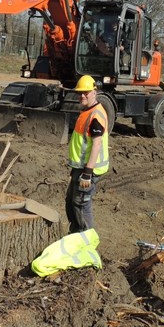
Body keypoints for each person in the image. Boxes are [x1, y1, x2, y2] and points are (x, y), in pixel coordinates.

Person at [65, 75, 110, 233]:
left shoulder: (95, 115)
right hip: (81, 167)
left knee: (81, 203)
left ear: (94, 92)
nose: (82, 95)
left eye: (86, 92)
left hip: (89, 169)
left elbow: (96, 144)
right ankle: (75, 234)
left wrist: (87, 173)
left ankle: (86, 239)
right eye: (80, 93)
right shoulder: (87, 111)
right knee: (72, 202)